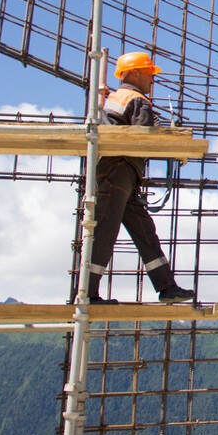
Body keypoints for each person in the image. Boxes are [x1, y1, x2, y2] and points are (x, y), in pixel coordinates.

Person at [88, 51, 195, 304]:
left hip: (120, 175)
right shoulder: (137, 100)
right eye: (149, 74)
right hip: (119, 171)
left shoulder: (116, 98)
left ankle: (166, 287)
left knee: (144, 231)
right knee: (104, 232)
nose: (152, 80)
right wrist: (174, 143)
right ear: (134, 73)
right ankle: (86, 292)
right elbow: (147, 139)